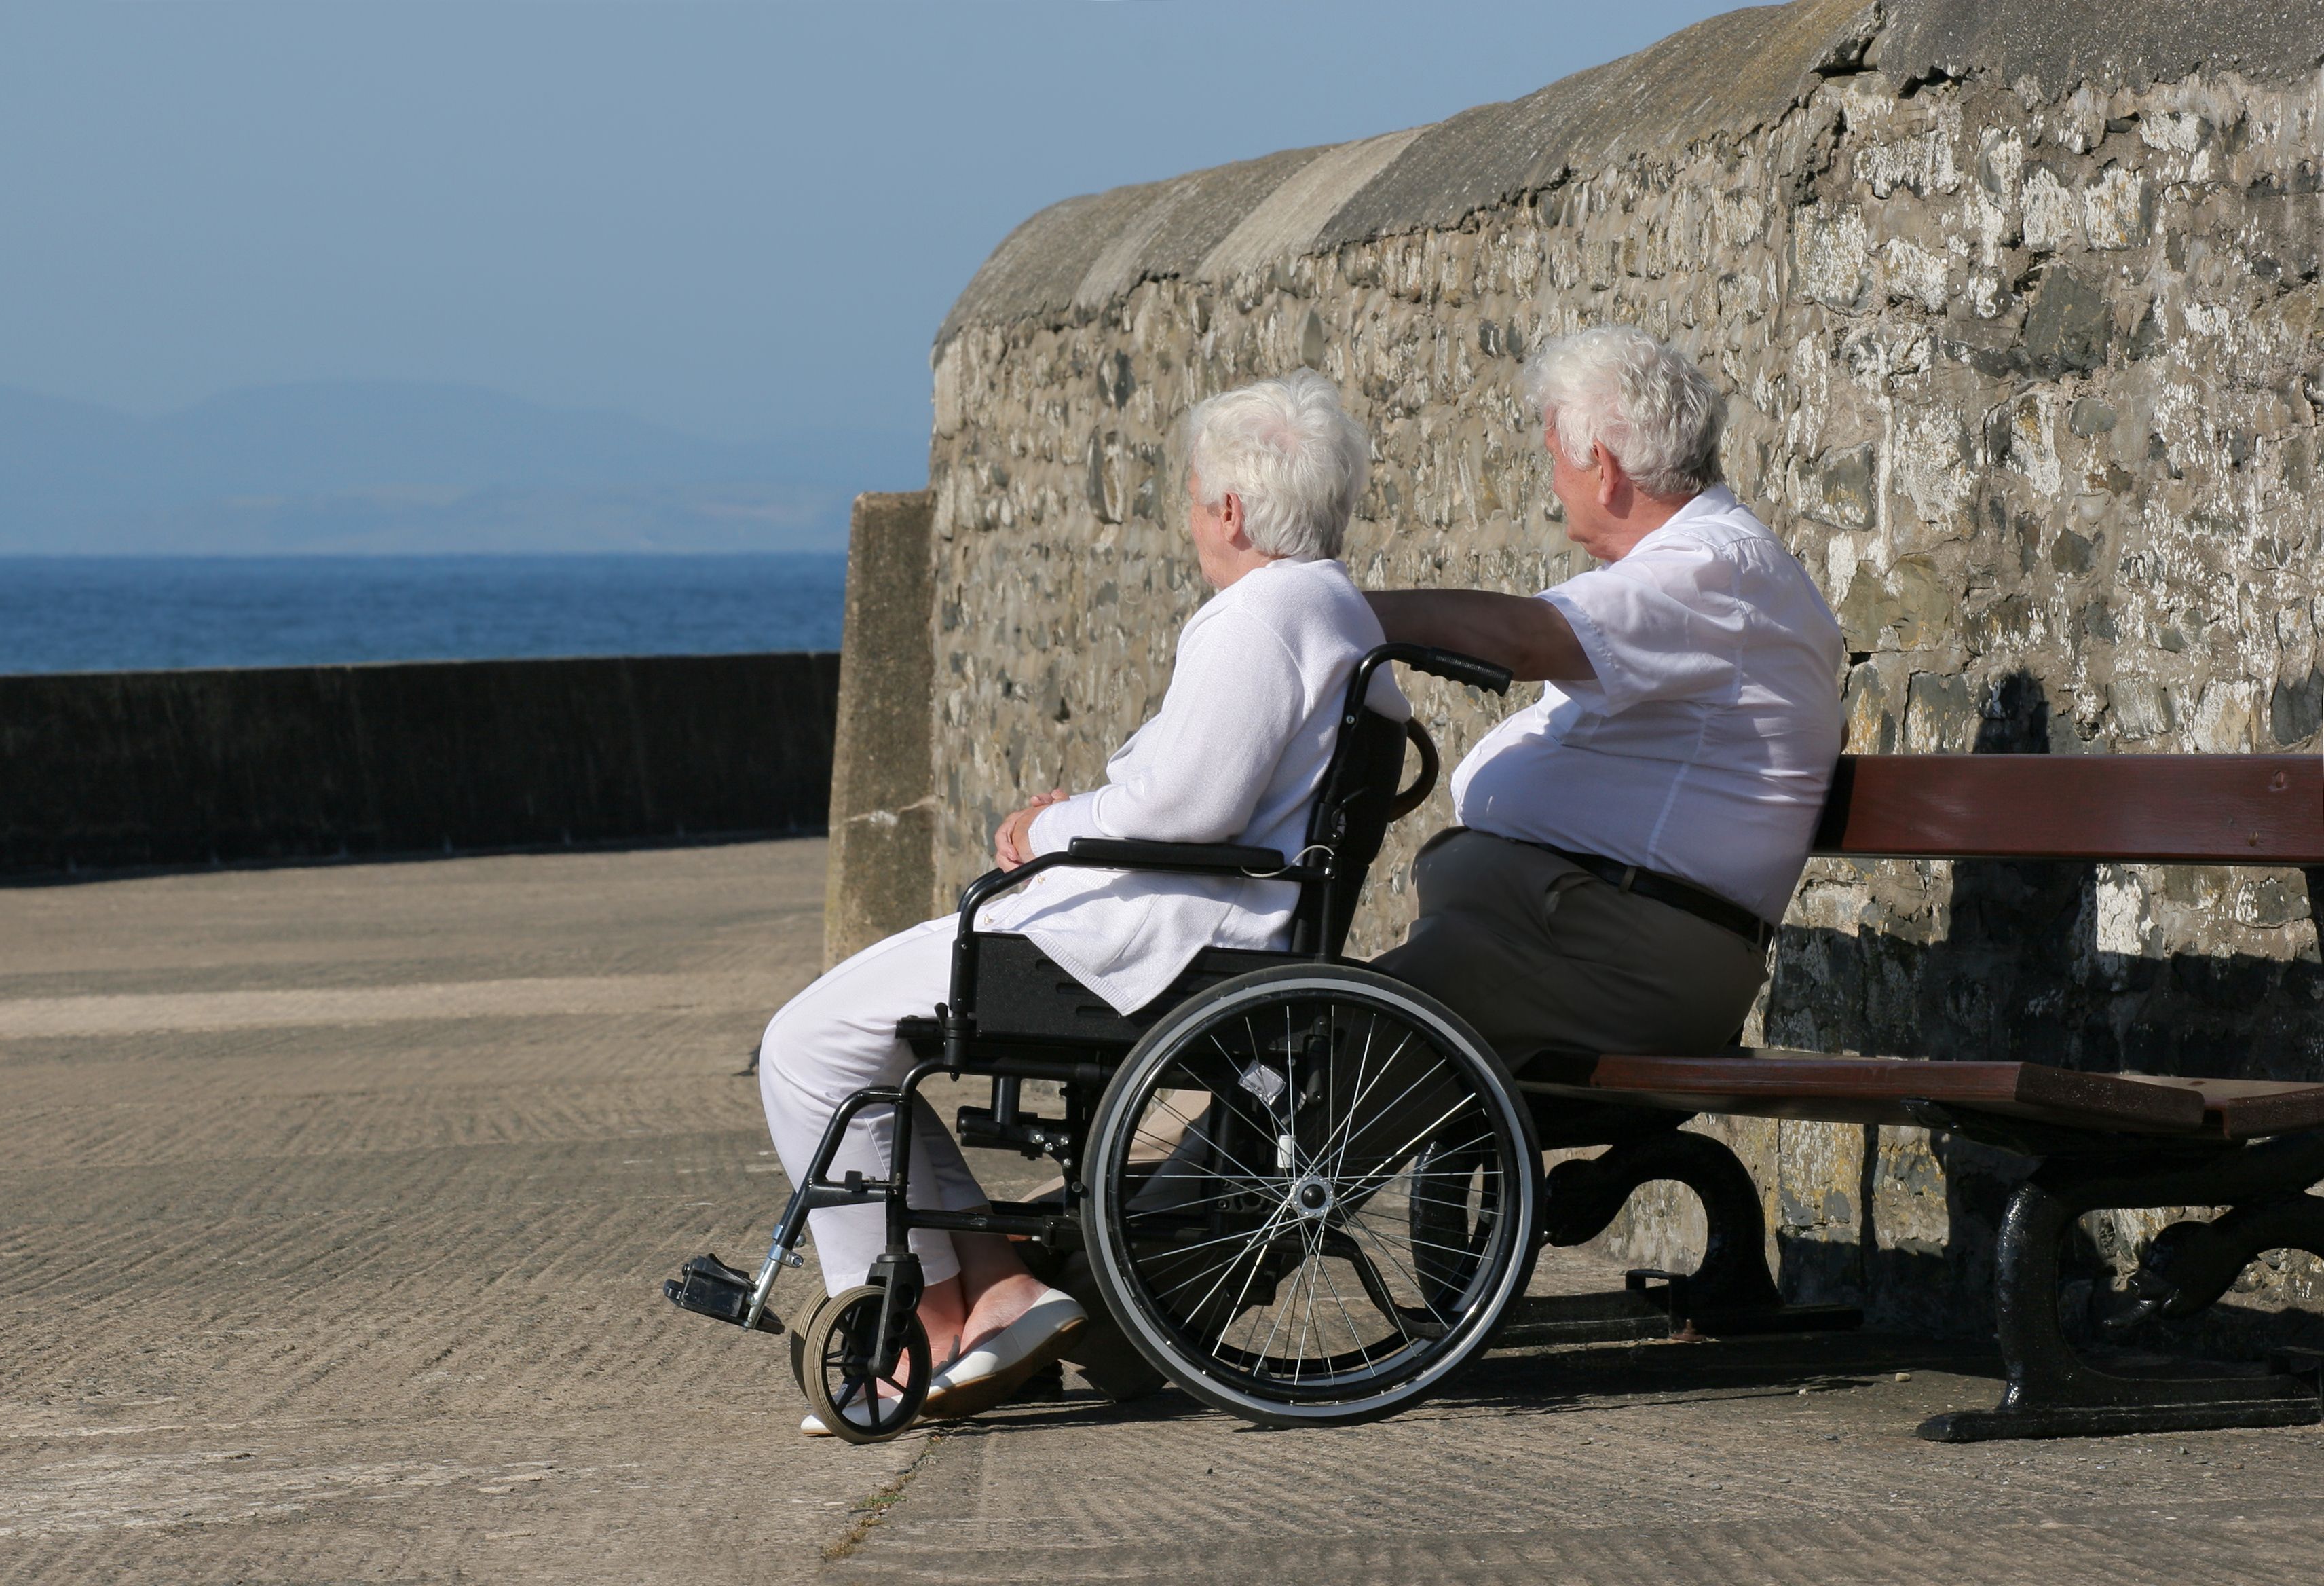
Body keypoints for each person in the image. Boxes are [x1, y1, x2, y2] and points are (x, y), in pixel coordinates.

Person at [758, 368, 1404, 1433]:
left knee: (807, 1043)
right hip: (1189, 923)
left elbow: (1189, 804)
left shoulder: (1259, 617)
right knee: (842, 1040)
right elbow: (1194, 794)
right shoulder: (1332, 610)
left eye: (1195, 499)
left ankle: (923, 1312)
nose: (1192, 520)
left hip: (1154, 942)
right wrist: (1092, 813)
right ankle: (993, 1287)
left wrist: (1048, 829)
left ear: (1231, 510)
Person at [1367, 325, 1843, 1063]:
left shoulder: (1716, 568)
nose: (1552, 481)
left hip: (1625, 958)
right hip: (1575, 935)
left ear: (1606, 469)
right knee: (1325, 1036)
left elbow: (1530, 639)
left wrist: (1333, 611)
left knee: (1344, 1043)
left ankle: (1184, 1171)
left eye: (1555, 458)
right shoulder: (1680, 572)